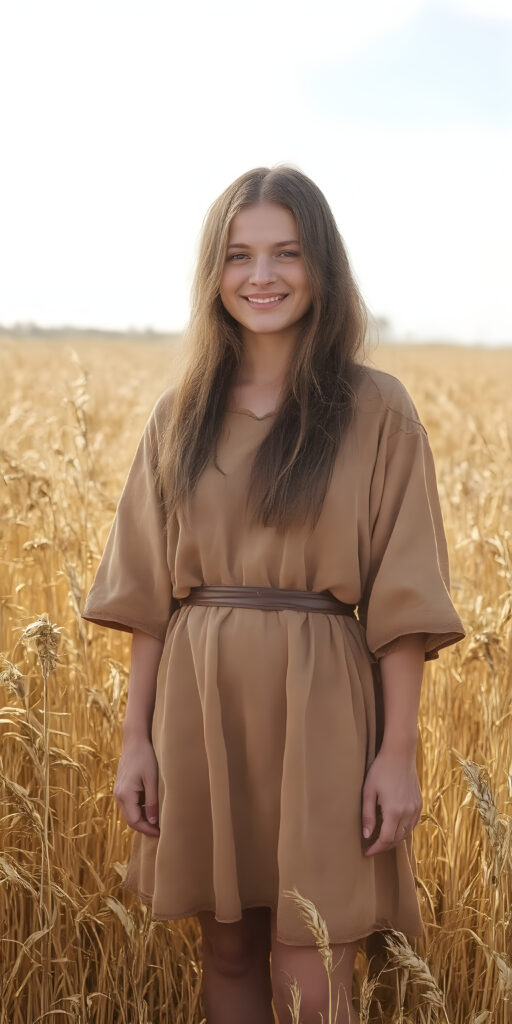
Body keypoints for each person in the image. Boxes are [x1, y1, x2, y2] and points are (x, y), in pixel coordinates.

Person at [81, 165, 466, 1024]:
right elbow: (148, 600)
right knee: (225, 944)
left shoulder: (377, 410)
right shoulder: (179, 413)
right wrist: (133, 742)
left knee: (311, 953)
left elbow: (403, 606)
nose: (262, 275)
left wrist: (396, 756)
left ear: (321, 266)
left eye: (286, 252)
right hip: (199, 702)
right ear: (213, 276)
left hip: (323, 703)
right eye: (239, 255)